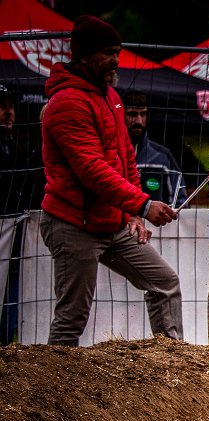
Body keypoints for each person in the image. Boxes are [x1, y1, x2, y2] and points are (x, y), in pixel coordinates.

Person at [39, 15, 181, 347]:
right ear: (84, 56)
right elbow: (93, 171)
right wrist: (143, 205)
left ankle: (174, 364)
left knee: (164, 283)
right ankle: (51, 380)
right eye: (108, 53)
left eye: (117, 52)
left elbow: (125, 159)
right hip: (73, 223)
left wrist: (133, 213)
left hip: (112, 221)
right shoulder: (67, 104)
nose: (116, 60)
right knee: (71, 318)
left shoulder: (111, 97)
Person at [1, 82, 43, 344]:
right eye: (1, 106)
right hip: (7, 234)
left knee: (12, 301)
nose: (8, 112)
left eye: (11, 106)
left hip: (16, 239)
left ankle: (6, 348)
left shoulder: (14, 147)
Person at [121, 90, 186, 207]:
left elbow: (179, 202)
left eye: (143, 114)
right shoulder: (110, 154)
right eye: (132, 114)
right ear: (121, 115)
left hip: (155, 219)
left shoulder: (162, 157)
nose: (139, 121)